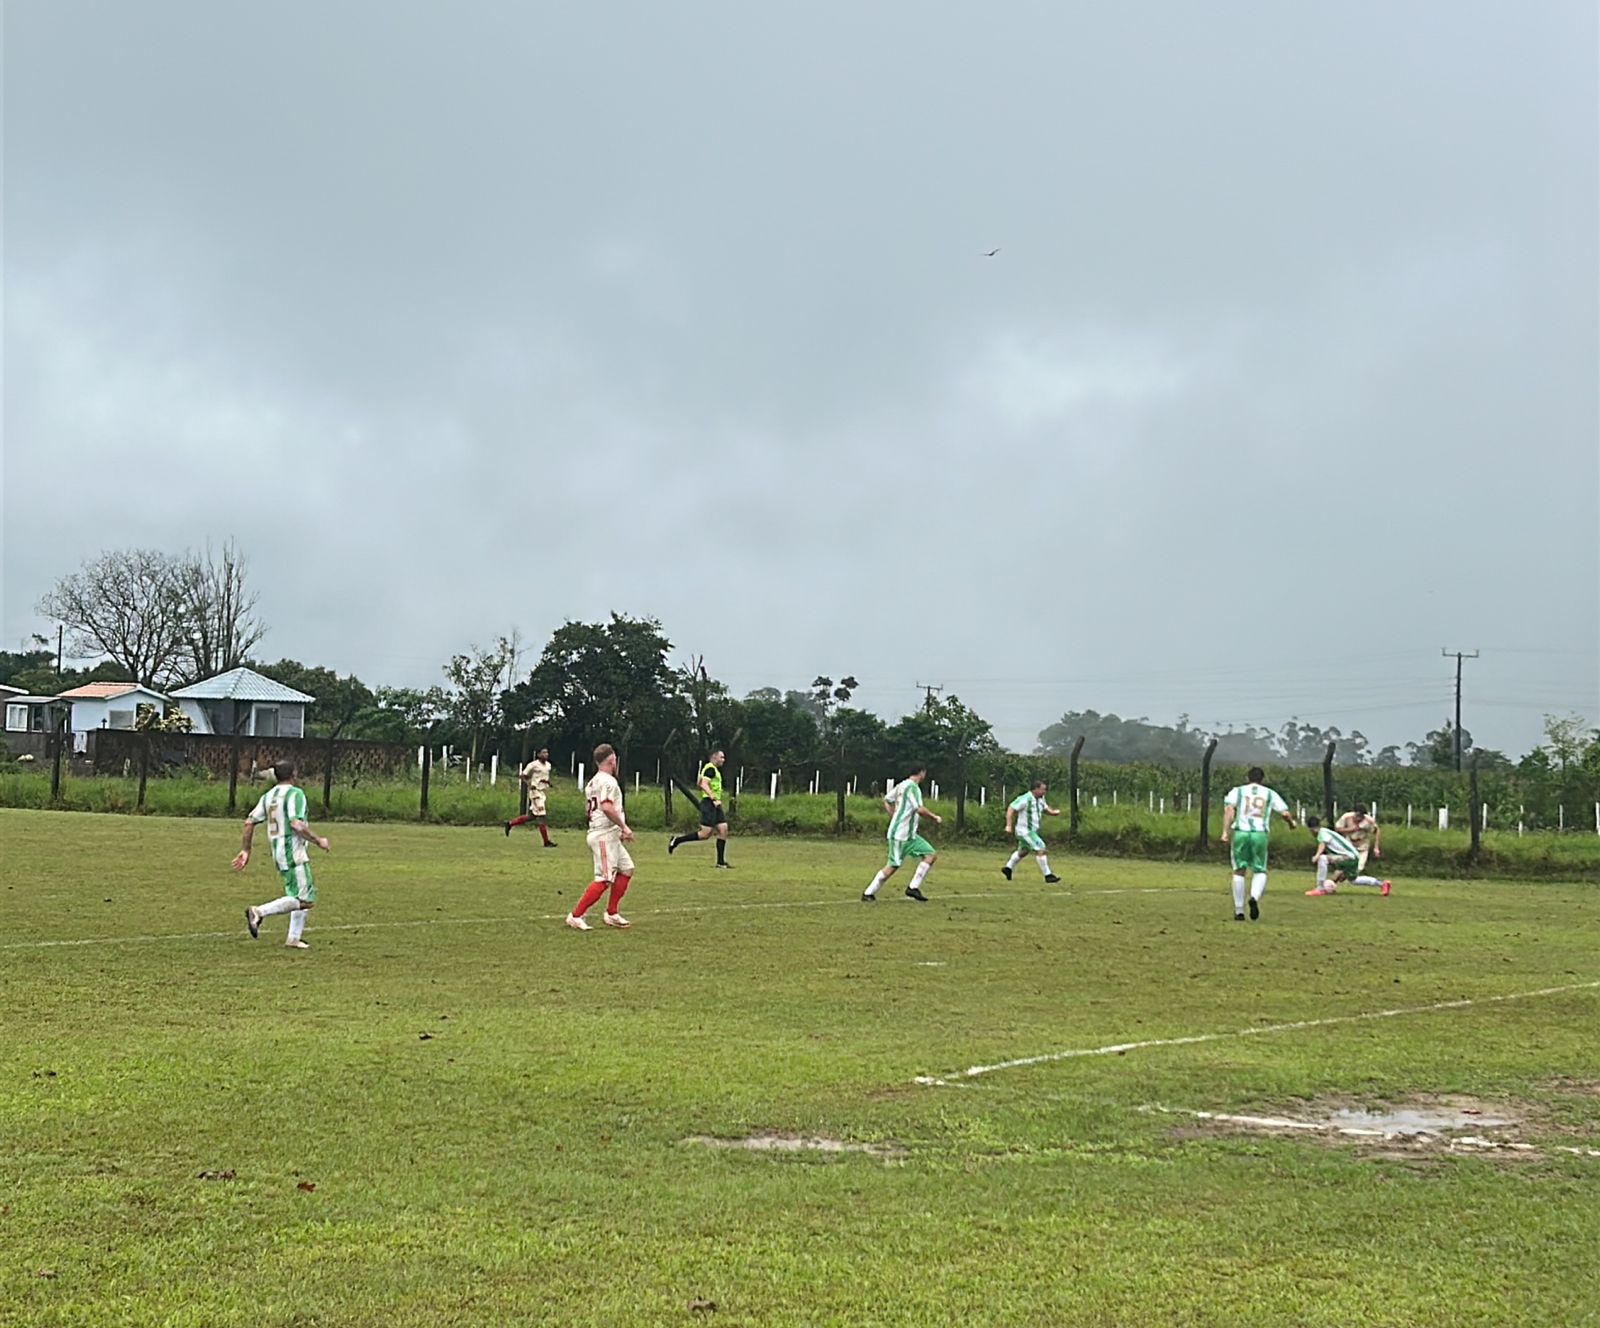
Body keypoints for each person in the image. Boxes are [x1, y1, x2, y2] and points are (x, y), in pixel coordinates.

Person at [236, 762, 330, 950]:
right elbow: (296, 824)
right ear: (294, 772)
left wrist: (246, 850)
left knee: (296, 893)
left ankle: (293, 938)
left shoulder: (268, 796)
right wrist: (318, 840)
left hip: (278, 851)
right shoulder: (296, 794)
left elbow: (249, 822)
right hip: (292, 851)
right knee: (306, 900)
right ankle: (259, 911)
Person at [566, 743, 634, 931]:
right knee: (604, 878)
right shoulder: (608, 781)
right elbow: (605, 806)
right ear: (612, 760)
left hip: (607, 833)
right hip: (603, 834)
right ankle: (576, 915)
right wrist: (624, 827)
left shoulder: (592, 782)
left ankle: (612, 913)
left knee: (626, 868)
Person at [1219, 766, 1298, 921]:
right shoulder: (1269, 793)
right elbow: (1285, 813)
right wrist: (1291, 823)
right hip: (1260, 834)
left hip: (1241, 832)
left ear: (1248, 778)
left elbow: (1229, 809)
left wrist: (1225, 832)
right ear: (1262, 779)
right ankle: (1254, 897)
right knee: (1260, 869)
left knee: (1239, 870)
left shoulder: (1238, 791)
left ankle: (1239, 910)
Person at [862, 764, 942, 902]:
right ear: (922, 773)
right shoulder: (912, 787)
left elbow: (887, 800)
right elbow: (919, 809)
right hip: (900, 835)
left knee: (930, 854)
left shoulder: (902, 785)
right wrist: (934, 818)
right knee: (893, 865)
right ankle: (868, 893)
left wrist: (893, 815)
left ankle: (913, 888)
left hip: (910, 835)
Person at [667, 748, 731, 868]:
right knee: (705, 834)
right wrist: (713, 798)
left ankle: (720, 862)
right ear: (714, 757)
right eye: (721, 757)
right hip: (710, 803)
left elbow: (699, 782)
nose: (723, 760)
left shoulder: (710, 769)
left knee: (723, 829)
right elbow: (703, 784)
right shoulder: (711, 769)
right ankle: (677, 840)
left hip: (715, 804)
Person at [1305, 816, 1391, 896]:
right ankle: (1382, 884)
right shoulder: (1326, 832)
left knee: (1322, 858)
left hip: (1348, 857)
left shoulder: (1322, 833)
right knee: (1354, 880)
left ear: (1311, 829)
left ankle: (1320, 889)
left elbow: (1322, 844)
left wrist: (1317, 855)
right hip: (1353, 857)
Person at [1002, 780, 1062, 882]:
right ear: (1036, 789)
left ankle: (1008, 868)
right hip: (1025, 831)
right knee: (1041, 847)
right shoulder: (1026, 799)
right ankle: (1048, 875)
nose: (1045, 791)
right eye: (1043, 789)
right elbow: (1011, 808)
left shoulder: (1041, 799)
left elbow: (1045, 809)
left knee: (1024, 851)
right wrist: (1008, 825)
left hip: (1032, 831)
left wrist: (1053, 813)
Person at [504, 746, 557, 846]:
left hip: (542, 792)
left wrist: (548, 783)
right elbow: (523, 775)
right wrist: (529, 784)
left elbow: (543, 777)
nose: (546, 754)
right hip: (536, 793)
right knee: (542, 816)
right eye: (543, 753)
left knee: (531, 816)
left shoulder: (548, 765)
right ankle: (546, 842)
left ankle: (510, 823)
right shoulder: (533, 765)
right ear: (538, 754)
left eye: (547, 752)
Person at [1335, 803, 1382, 881]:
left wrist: (1376, 847)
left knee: (1359, 868)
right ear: (1354, 813)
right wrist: (1351, 829)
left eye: (1361, 816)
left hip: (1362, 845)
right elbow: (1337, 829)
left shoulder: (1368, 821)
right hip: (1349, 843)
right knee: (1345, 864)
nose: (1358, 818)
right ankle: (1333, 883)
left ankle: (1347, 877)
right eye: (1357, 815)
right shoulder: (1346, 817)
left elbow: (1377, 831)